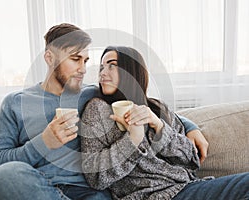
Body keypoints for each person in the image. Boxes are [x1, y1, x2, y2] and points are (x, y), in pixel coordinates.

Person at [0, 23, 207, 200]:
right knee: (2, 179)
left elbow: (143, 104)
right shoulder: (15, 103)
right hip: (39, 187)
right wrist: (44, 141)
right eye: (75, 59)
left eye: (86, 60)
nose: (83, 68)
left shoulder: (92, 95)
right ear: (49, 57)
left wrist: (190, 126)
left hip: (90, 193)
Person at [80, 46, 249, 200]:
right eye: (102, 67)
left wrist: (159, 127)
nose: (102, 72)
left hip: (186, 188)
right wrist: (133, 140)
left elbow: (191, 160)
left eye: (111, 65)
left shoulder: (157, 108)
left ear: (131, 71)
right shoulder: (97, 110)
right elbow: (96, 176)